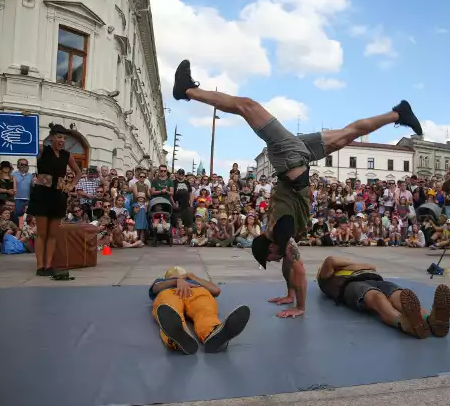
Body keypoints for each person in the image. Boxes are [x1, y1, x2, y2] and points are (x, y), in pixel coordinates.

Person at [172, 59, 423, 318]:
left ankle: (187, 91)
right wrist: (290, 294)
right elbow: (288, 265)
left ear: (271, 247)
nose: (275, 261)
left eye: (270, 258)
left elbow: (298, 269)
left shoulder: (281, 232)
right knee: (349, 134)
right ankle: (398, 113)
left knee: (247, 105)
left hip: (288, 154)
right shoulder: (280, 238)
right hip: (297, 157)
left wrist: (299, 307)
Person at [316, 256, 450, 339]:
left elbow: (372, 267)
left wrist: (353, 266)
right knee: (376, 297)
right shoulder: (326, 280)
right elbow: (331, 260)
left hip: (374, 279)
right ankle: (404, 323)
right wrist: (355, 265)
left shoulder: (348, 269)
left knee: (400, 295)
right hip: (350, 284)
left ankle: (432, 320)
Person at [149, 266, 250, 354]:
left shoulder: (194, 280)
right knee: (170, 309)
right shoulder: (162, 281)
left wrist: (193, 277)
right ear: (168, 276)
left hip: (195, 290)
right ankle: (176, 337)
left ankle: (213, 333)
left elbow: (216, 290)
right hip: (169, 292)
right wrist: (177, 280)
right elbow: (156, 288)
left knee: (204, 310)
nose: (178, 273)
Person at [27, 124, 81, 276]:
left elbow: (78, 172)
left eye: (64, 138)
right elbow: (30, 144)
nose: (62, 140)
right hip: (42, 194)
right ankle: (40, 266)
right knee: (42, 233)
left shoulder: (67, 155)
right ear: (51, 137)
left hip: (58, 195)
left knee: (52, 234)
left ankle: (49, 265)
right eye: (59, 137)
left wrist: (71, 186)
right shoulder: (43, 150)